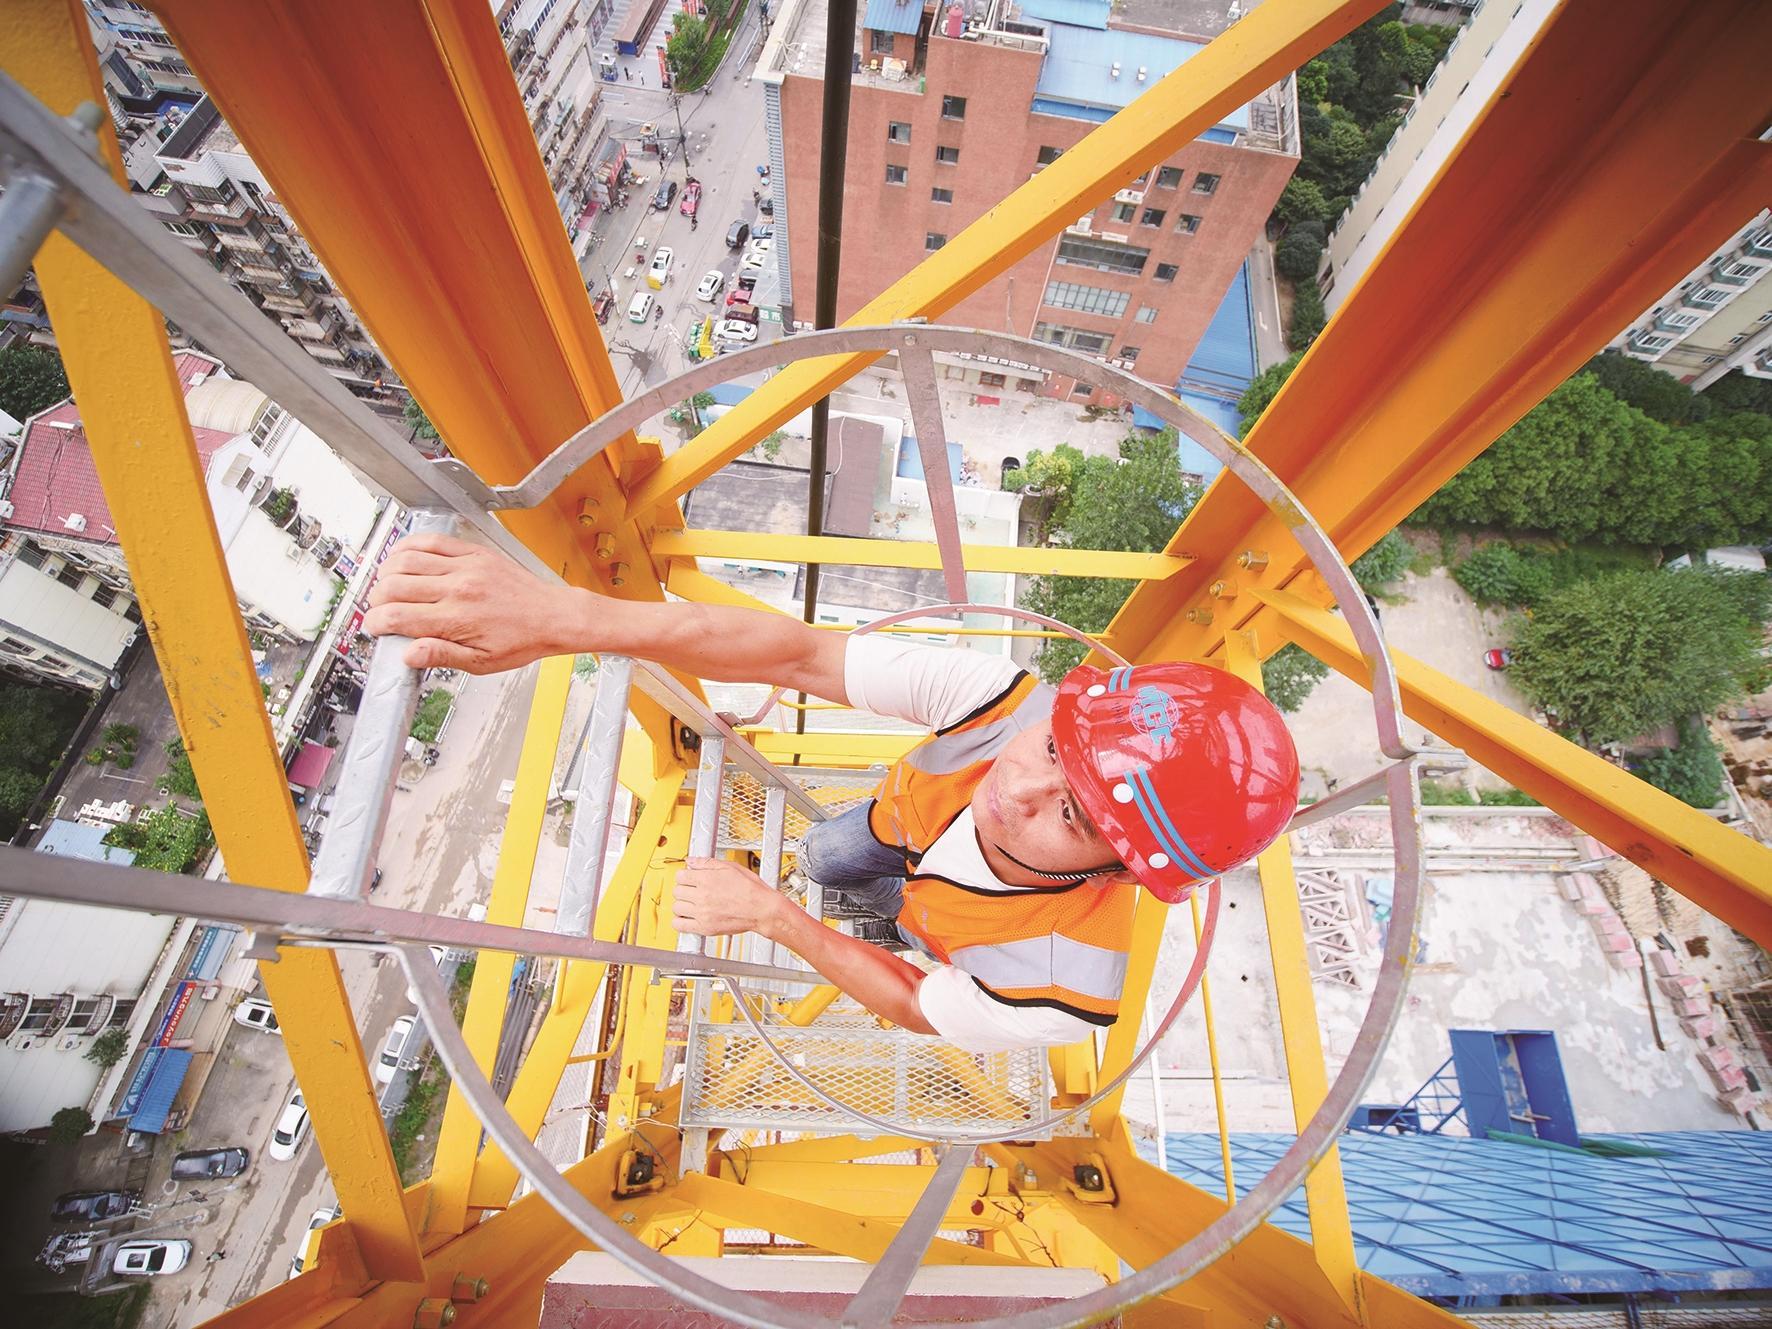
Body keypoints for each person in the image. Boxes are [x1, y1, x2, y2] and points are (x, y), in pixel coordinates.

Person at [363, 535, 1299, 1051]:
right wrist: (573, 618)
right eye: (1053, 748)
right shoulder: (1005, 703)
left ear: (1125, 874)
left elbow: (911, 1004)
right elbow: (802, 653)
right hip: (895, 835)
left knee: (872, 922)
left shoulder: (1064, 986)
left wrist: (774, 918)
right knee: (830, 857)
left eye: (1073, 814)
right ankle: (852, 894)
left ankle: (862, 910)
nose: (1017, 784)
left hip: (950, 936)